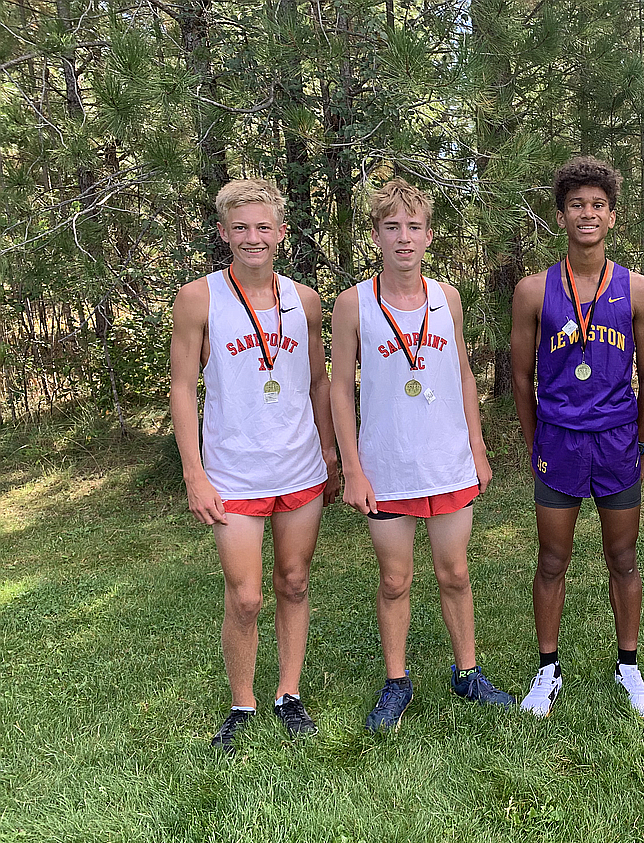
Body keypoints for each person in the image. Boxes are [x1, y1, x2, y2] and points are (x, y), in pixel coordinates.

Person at [331, 178, 514, 732]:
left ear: (429, 236)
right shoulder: (353, 304)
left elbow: (461, 372)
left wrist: (478, 447)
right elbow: (340, 388)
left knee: (455, 572)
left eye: (413, 227)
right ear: (376, 236)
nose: (403, 238)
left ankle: (467, 672)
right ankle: (396, 681)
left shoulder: (447, 298)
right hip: (385, 465)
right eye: (392, 228)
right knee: (395, 579)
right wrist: (353, 469)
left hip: (446, 459)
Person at [170, 178, 339, 756]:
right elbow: (182, 387)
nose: (252, 237)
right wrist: (194, 472)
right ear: (223, 233)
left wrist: (332, 451)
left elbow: (318, 382)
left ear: (282, 234)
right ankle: (242, 702)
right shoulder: (199, 298)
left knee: (294, 582)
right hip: (232, 472)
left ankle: (287, 693)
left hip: (299, 467)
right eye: (240, 227)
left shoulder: (305, 299)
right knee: (245, 596)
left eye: (263, 226)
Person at [510, 156, 644, 718]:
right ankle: (547, 670)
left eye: (597, 205)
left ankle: (629, 668)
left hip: (617, 442)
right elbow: (522, 378)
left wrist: (639, 442)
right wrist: (537, 443)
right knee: (553, 560)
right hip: (560, 442)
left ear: (613, 216)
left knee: (623, 557)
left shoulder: (638, 289)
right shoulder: (533, 291)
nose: (587, 214)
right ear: (560, 216)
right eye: (576, 205)